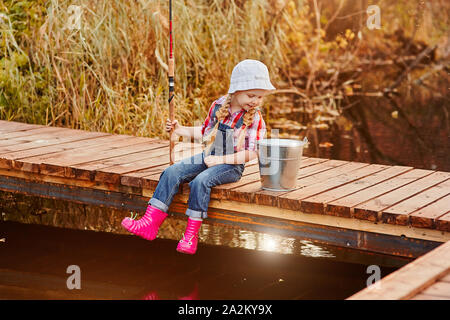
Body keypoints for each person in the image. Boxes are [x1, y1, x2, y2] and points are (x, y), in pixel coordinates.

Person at [121, 59, 275, 254]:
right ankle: (150, 223)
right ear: (236, 90)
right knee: (172, 172)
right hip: (208, 156)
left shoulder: (255, 119)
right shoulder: (219, 106)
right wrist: (180, 129)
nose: (255, 101)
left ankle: (191, 236)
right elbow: (205, 133)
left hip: (231, 166)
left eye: (260, 97)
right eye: (251, 95)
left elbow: (252, 153)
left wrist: (220, 160)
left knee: (200, 182)